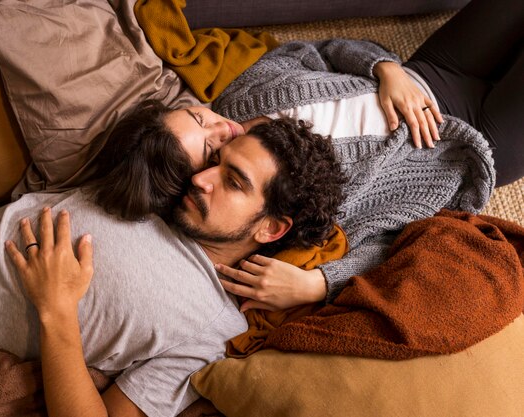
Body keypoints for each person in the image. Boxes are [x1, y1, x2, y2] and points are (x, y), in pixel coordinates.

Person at [0, 118, 345, 416]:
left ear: (270, 228)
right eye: (216, 162)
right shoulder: (152, 186)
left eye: (233, 182)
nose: (201, 179)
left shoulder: (209, 330)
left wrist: (58, 313)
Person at [94, 0, 518, 310]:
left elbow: (323, 51)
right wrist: (320, 284)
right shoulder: (292, 205)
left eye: (197, 117)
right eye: (211, 150)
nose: (224, 128)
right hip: (477, 142)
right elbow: (392, 248)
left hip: (428, 69)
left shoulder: (241, 100)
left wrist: (384, 69)